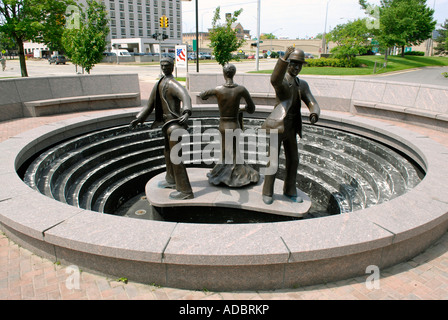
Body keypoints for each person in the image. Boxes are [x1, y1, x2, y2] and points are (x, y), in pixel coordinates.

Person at [262, 46, 320, 205]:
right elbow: (274, 79)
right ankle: (267, 191)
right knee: (273, 160)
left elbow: (312, 101)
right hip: (278, 126)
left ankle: (289, 190)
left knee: (293, 160)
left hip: (292, 127)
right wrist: (283, 58)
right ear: (287, 63)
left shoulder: (302, 85)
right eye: (293, 63)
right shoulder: (282, 82)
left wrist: (314, 112)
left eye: (299, 64)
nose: (296, 67)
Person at [129, 57, 194, 200]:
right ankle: (171, 179)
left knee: (176, 157)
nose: (164, 67)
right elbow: (149, 105)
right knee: (167, 153)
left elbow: (185, 96)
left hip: (174, 124)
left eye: (167, 65)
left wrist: (187, 111)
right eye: (162, 65)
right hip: (166, 124)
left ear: (172, 67)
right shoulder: (159, 83)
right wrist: (139, 118)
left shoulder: (172, 83)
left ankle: (185, 191)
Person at [199, 63, 259, 187]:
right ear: (234, 73)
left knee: (225, 153)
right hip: (234, 124)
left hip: (223, 125)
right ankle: (235, 176)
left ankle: (224, 175)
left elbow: (202, 95)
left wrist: (209, 95)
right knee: (235, 152)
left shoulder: (217, 89)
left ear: (224, 73)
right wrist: (241, 109)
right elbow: (252, 108)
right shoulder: (241, 89)